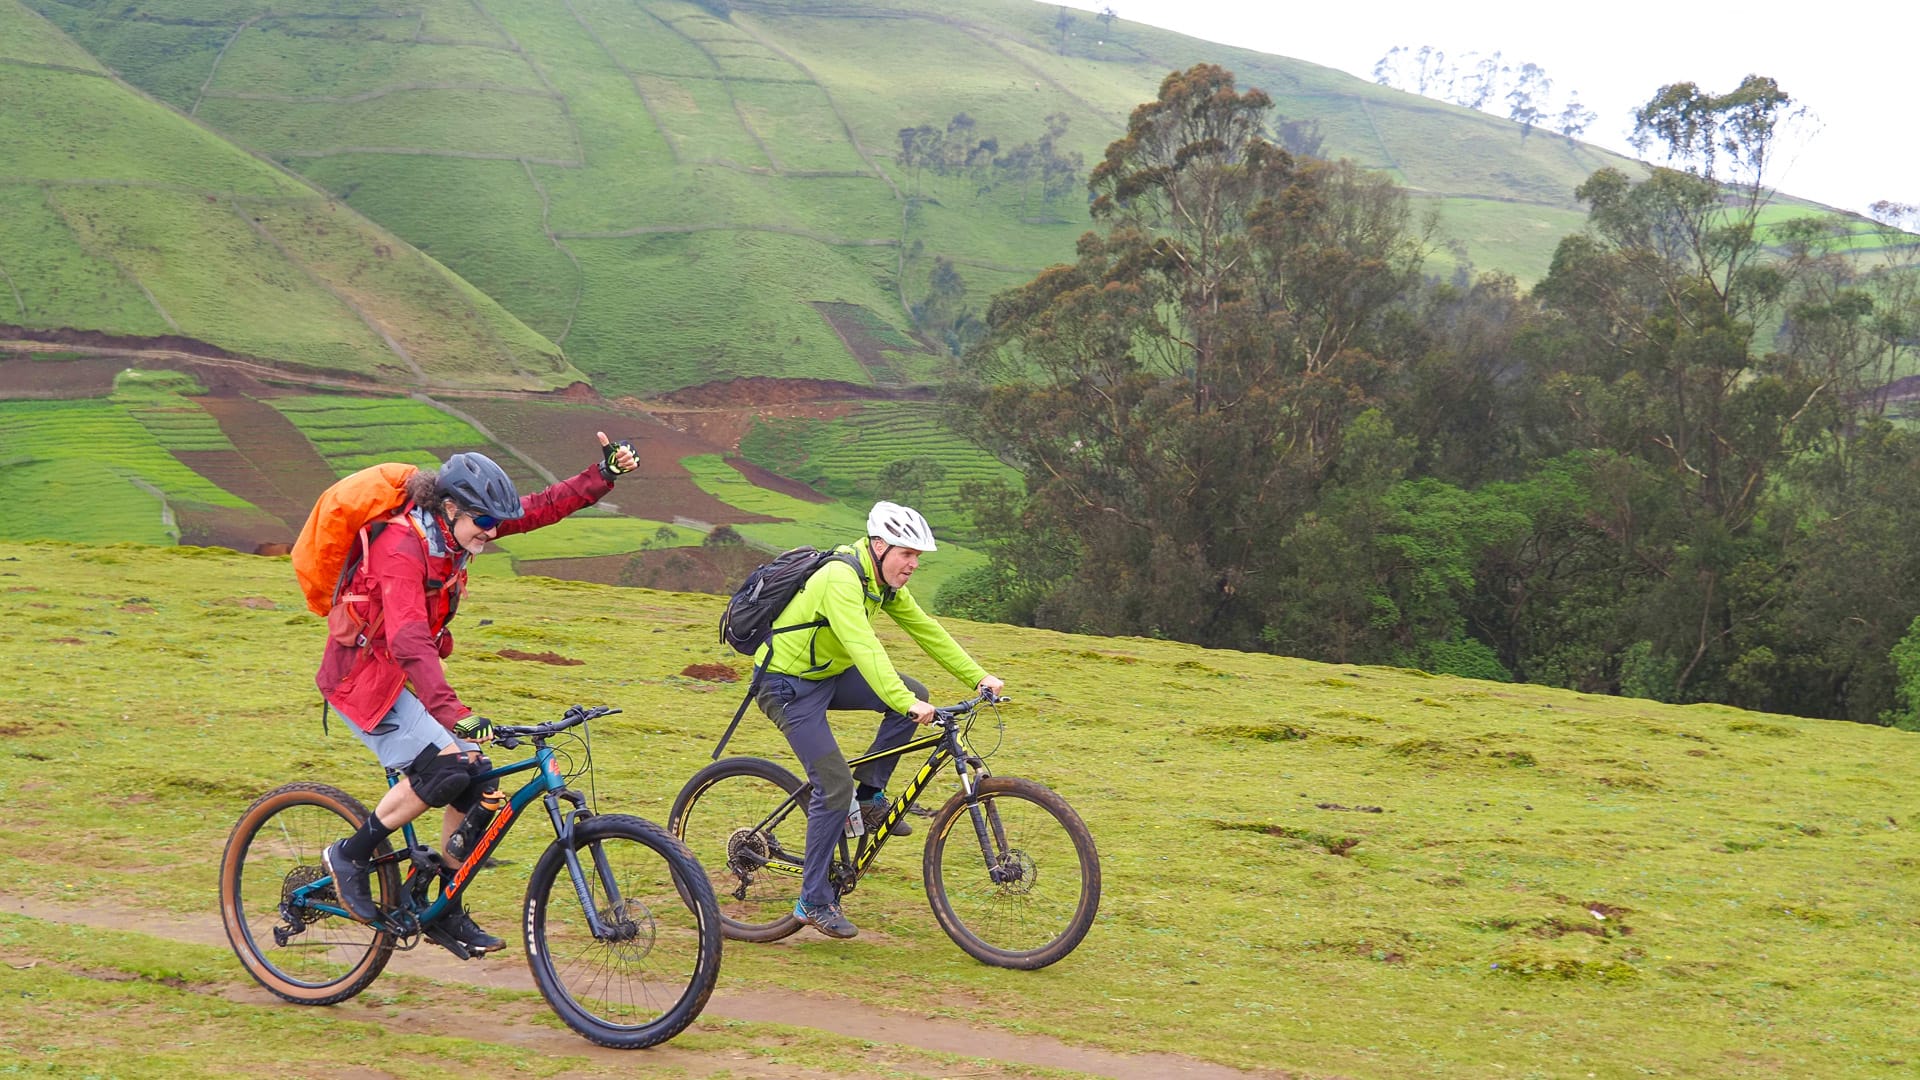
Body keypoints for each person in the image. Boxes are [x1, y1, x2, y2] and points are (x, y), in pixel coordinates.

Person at [320, 433, 638, 955]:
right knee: (447, 769)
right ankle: (350, 854)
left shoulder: (460, 529)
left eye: (494, 522)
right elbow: (408, 641)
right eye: (484, 522)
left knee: (479, 782)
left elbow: (538, 509)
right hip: (363, 680)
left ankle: (444, 908)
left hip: (405, 678)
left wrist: (602, 476)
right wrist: (457, 715)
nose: (491, 532)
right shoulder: (401, 546)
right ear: (449, 508)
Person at [753, 500, 1004, 939]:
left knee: (914, 694)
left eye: (917, 556)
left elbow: (926, 630)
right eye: (907, 553)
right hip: (786, 685)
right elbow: (864, 647)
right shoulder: (840, 578)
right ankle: (812, 900)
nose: (913, 564)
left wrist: (978, 676)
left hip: (827, 675)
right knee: (834, 786)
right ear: (880, 545)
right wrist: (905, 702)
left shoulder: (881, 583)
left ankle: (869, 796)